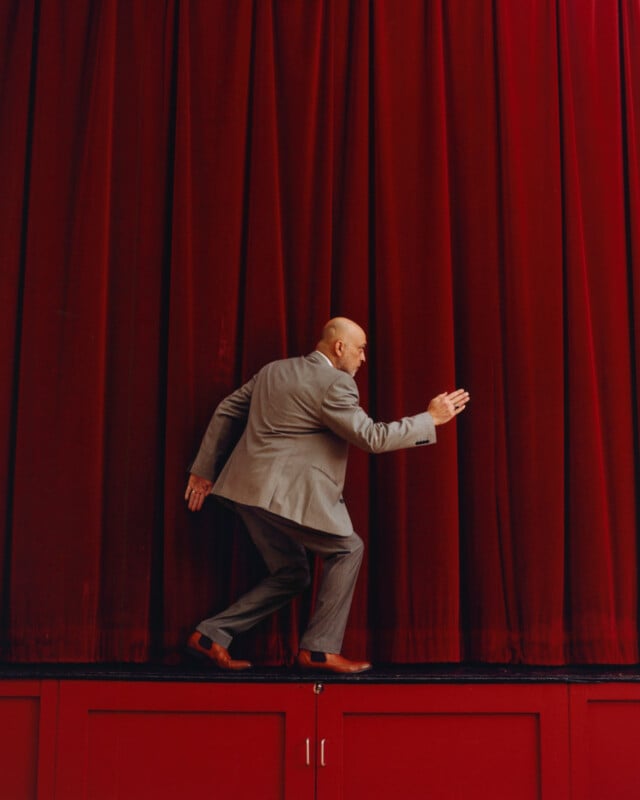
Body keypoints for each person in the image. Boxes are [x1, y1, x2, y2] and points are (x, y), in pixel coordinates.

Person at [184, 317, 469, 673]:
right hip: (282, 496)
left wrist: (203, 471)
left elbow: (228, 408)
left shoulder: (274, 370)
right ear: (339, 347)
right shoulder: (335, 384)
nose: (363, 359)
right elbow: (372, 438)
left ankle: (211, 635)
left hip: (244, 491)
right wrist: (429, 419)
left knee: (292, 573)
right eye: (361, 349)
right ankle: (318, 650)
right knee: (349, 549)